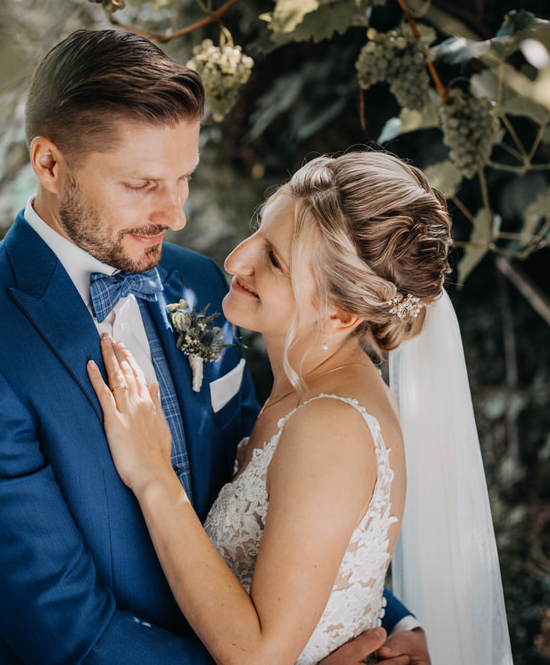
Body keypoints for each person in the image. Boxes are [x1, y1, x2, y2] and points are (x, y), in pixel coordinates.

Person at [0, 29, 427, 664]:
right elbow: (70, 633)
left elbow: (268, 484)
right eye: (143, 185)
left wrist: (381, 620)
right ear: (50, 164)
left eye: (184, 179)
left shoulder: (202, 287)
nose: (175, 215)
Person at [89, 151, 513, 664]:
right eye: (258, 231)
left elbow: (258, 655)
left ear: (339, 313)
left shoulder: (331, 426)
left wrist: (154, 476)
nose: (236, 260)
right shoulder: (305, 392)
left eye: (274, 260)